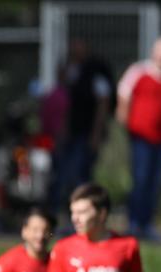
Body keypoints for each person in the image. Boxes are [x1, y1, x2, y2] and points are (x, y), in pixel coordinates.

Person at [117, 36, 161, 240]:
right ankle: (134, 222)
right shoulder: (139, 72)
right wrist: (126, 121)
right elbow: (124, 94)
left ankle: (148, 223)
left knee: (155, 182)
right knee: (141, 179)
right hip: (141, 137)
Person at [49, 39, 114, 213]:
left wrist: (96, 133)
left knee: (79, 176)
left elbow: (103, 103)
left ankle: (81, 212)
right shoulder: (69, 71)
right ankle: (59, 213)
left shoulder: (94, 72)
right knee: (60, 175)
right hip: (66, 133)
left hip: (85, 133)